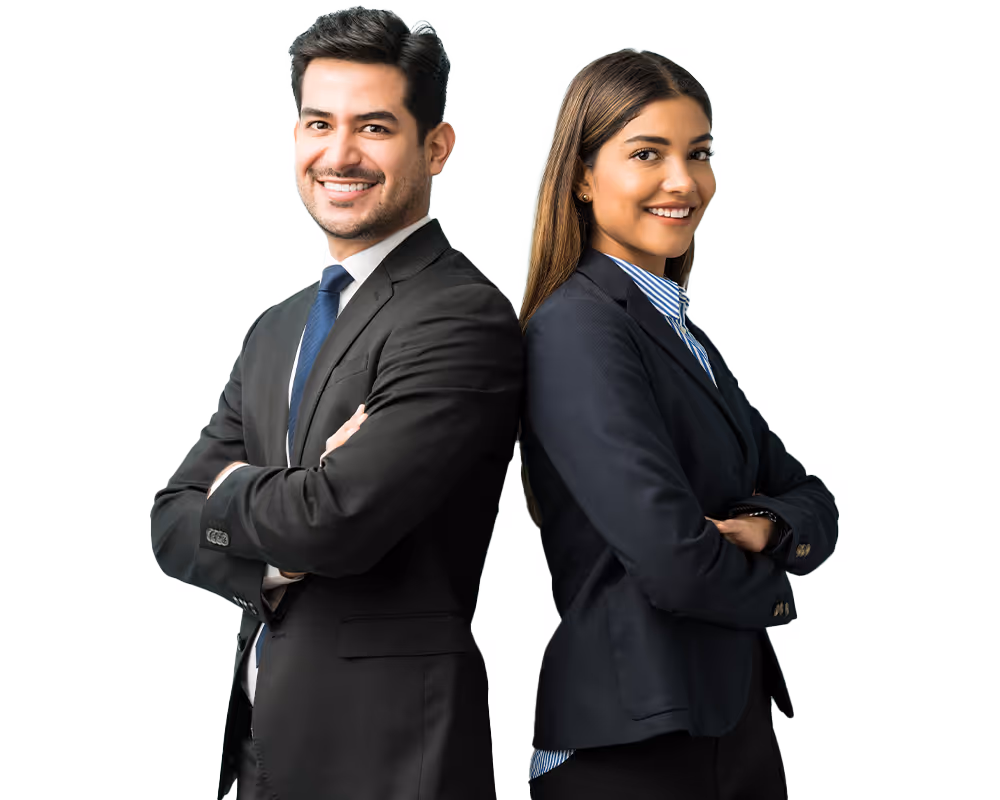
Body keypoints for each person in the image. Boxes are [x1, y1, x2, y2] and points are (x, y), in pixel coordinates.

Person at [149, 7, 522, 800]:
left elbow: (338, 520)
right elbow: (171, 520)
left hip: (389, 761)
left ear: (437, 146)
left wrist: (241, 495)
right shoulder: (276, 326)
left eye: (375, 127)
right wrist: (283, 533)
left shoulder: (460, 314)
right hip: (263, 752)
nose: (339, 153)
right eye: (319, 122)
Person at [517, 48, 839, 799]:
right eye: (646, 154)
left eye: (699, 153)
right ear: (583, 178)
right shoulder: (577, 329)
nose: (682, 181)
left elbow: (809, 496)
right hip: (633, 743)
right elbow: (673, 558)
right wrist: (778, 586)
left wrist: (765, 523)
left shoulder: (682, 336)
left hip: (726, 725)